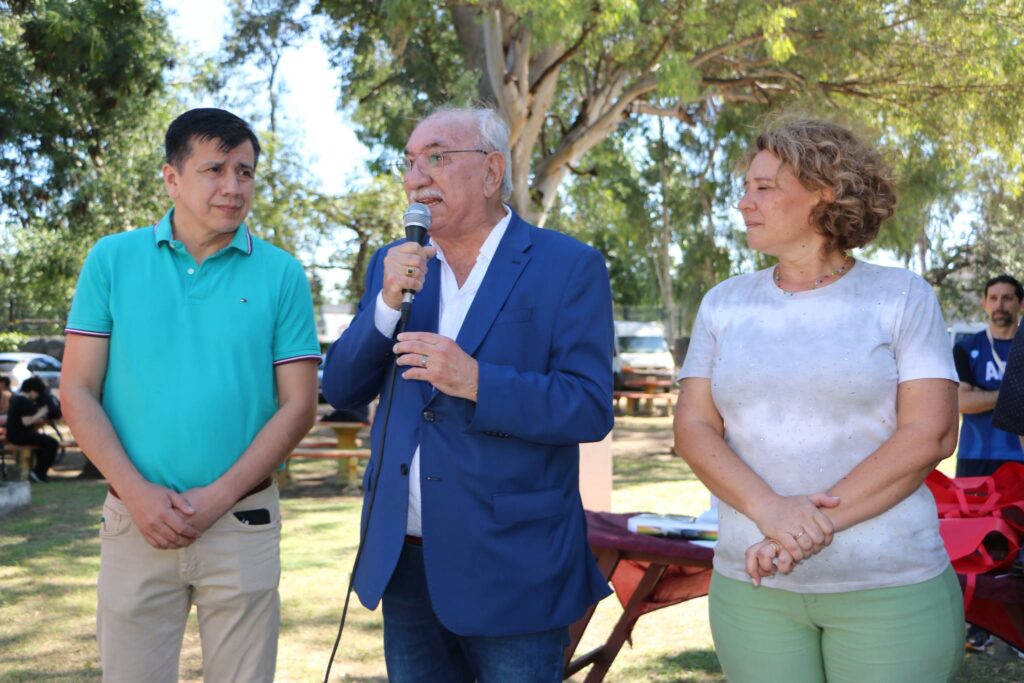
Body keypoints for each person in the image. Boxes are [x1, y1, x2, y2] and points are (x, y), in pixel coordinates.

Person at [321, 106, 614, 681]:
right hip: (404, 560)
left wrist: (477, 382)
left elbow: (588, 407)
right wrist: (384, 306)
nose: (415, 178)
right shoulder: (395, 266)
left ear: (491, 171)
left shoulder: (567, 265)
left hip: (513, 564)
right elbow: (341, 387)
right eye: (409, 162)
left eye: (436, 157)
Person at [674, 118, 964, 683]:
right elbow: (693, 429)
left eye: (764, 187)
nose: (744, 202)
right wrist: (770, 511)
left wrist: (800, 529)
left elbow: (930, 434)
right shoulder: (723, 304)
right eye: (746, 187)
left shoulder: (902, 297)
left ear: (824, 193)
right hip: (752, 588)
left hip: (889, 587)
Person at [60, 108, 320, 683]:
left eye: (245, 172)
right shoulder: (111, 260)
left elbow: (299, 405)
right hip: (134, 520)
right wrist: (138, 494)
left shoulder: (282, 274)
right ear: (172, 178)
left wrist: (217, 498)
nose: (233, 186)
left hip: (243, 520)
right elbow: (76, 389)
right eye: (215, 170)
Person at [953, 275, 1024, 479]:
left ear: (1021, 303)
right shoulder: (965, 348)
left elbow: (970, 399)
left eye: (1007, 298)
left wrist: (981, 394)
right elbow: (961, 401)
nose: (999, 305)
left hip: (1019, 455)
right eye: (993, 298)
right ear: (984, 303)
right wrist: (1015, 395)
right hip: (975, 455)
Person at [5, 376, 61, 482]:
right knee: (52, 443)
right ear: (32, 391)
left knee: (44, 443)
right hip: (20, 435)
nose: (37, 397)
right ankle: (39, 473)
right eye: (37, 393)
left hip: (13, 434)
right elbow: (26, 421)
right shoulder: (24, 401)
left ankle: (37, 472)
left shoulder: (16, 398)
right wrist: (41, 413)